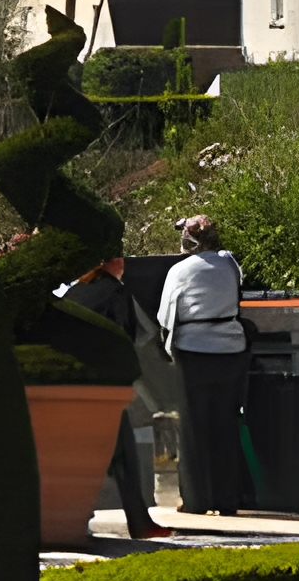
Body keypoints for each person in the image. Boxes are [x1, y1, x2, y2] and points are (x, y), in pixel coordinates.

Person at [61, 253, 174, 541]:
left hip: (71, 385)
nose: (122, 261)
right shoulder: (115, 292)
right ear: (103, 264)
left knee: (82, 455)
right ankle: (138, 521)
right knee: (123, 454)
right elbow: (127, 338)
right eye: (115, 258)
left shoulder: (76, 292)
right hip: (103, 387)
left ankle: (79, 516)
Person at [158, 215, 248, 515]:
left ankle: (196, 500)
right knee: (225, 424)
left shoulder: (180, 270)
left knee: (193, 428)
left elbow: (165, 315)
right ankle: (227, 500)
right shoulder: (230, 263)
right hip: (231, 350)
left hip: (194, 351)